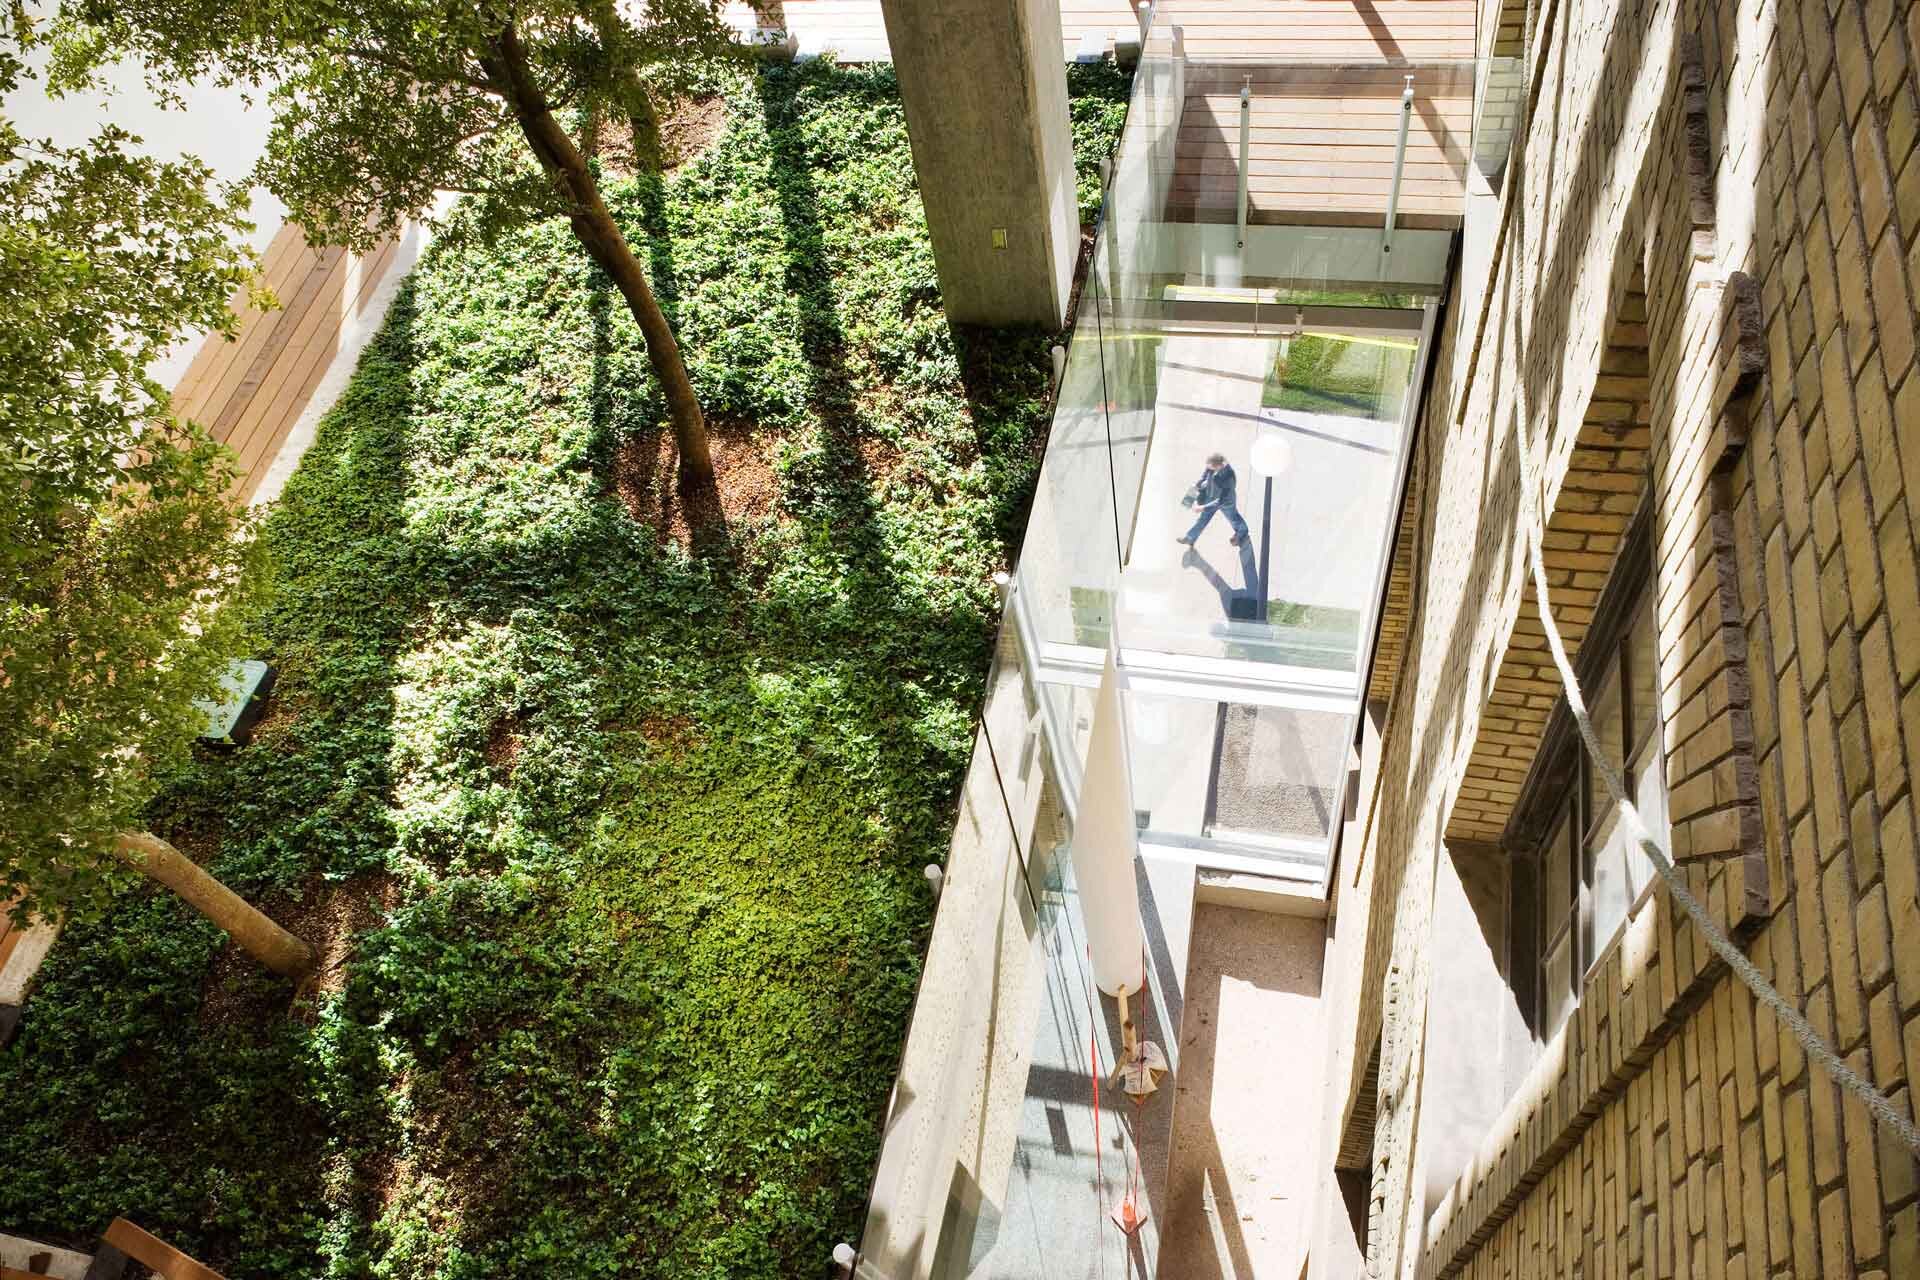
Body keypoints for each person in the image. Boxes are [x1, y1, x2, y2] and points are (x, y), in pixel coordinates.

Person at [1177, 452, 1249, 547]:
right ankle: (1190, 538)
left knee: (1234, 518)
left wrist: (1203, 507)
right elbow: (1204, 476)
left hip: (1226, 501)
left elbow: (1221, 501)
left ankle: (1242, 532)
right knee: (1202, 520)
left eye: (1211, 468)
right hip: (1211, 496)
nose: (1208, 469)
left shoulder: (1228, 476)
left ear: (1218, 466)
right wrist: (1196, 487)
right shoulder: (1212, 464)